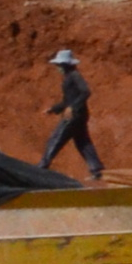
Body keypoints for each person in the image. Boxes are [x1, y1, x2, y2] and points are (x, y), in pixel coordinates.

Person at [37, 50, 97, 179]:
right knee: (83, 142)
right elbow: (67, 100)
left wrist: (72, 107)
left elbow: (86, 92)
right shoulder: (69, 77)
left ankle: (42, 167)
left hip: (74, 115)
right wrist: (53, 109)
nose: (58, 68)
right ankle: (96, 169)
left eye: (59, 65)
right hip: (79, 114)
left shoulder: (75, 75)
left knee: (56, 138)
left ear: (65, 65)